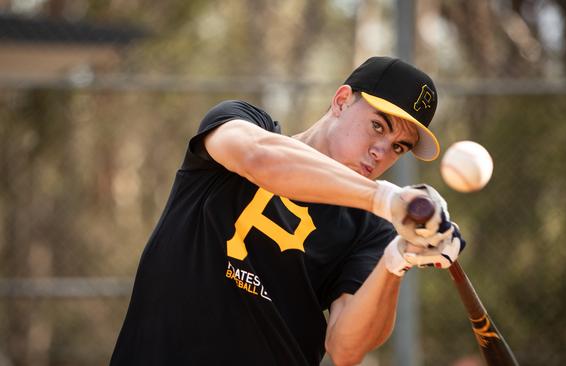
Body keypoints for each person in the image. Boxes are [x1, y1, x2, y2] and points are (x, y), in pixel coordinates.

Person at [110, 56, 465, 366]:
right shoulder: (244, 122)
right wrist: (387, 200)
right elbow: (258, 158)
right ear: (341, 101)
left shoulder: (371, 230)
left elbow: (345, 350)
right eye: (377, 126)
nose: (381, 152)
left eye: (398, 147)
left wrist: (396, 260)